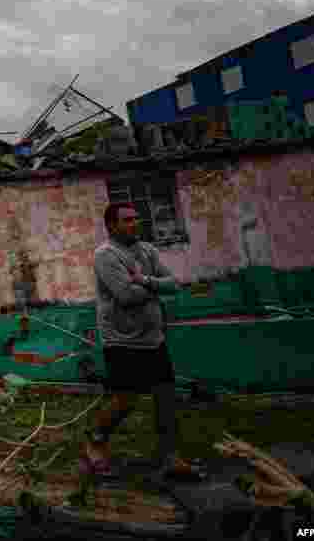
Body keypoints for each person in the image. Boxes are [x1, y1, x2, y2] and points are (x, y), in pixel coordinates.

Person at [83, 203, 205, 481]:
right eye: (127, 220)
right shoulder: (106, 255)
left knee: (166, 397)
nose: (134, 223)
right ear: (111, 226)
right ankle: (95, 441)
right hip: (122, 340)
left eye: (136, 218)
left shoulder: (147, 250)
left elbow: (174, 284)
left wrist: (145, 281)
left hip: (153, 338)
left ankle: (170, 457)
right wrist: (154, 287)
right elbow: (125, 296)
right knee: (125, 400)